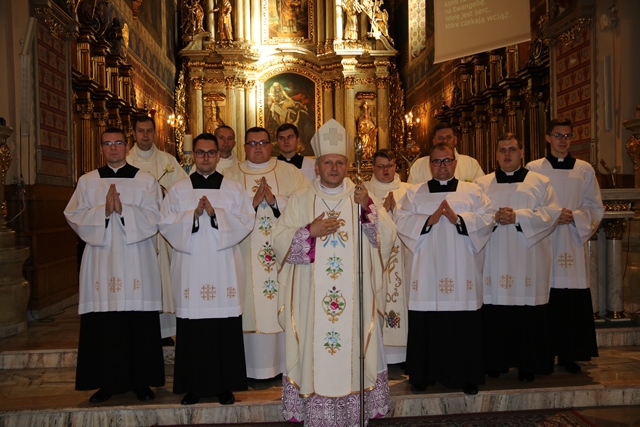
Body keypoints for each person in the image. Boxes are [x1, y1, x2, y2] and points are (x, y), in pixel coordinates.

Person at [273, 119, 395, 426]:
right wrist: (308, 232)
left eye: (340, 162)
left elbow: (387, 238)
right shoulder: (301, 199)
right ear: (317, 166)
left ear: (347, 165)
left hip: (355, 300)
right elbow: (278, 239)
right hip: (312, 300)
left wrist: (368, 209)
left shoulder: (361, 196)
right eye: (328, 162)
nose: (334, 168)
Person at [64, 127, 165, 404]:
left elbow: (157, 216)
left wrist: (124, 211)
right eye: (107, 144)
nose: (113, 148)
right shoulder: (88, 181)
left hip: (137, 260)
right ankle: (106, 383)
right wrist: (103, 212)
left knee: (138, 321)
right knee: (105, 323)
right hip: (101, 260)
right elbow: (73, 215)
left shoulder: (145, 180)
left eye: (118, 143)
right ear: (101, 149)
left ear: (126, 146)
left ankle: (142, 382)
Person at [158, 133, 254, 405]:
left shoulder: (234, 188)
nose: (206, 158)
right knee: (193, 330)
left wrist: (215, 215)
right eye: (200, 152)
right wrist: (193, 215)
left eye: (211, 152)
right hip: (190, 268)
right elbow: (165, 223)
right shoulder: (179, 189)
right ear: (193, 155)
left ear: (218, 155)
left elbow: (247, 221)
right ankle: (194, 386)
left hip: (224, 268)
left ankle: (225, 386)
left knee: (224, 327)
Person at [394, 142, 494, 395]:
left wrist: (458, 219)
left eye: (447, 160)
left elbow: (487, 218)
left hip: (462, 270)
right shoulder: (415, 193)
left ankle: (467, 376)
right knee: (426, 322)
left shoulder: (473, 192)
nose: (442, 166)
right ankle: (422, 375)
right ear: (430, 165)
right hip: (426, 270)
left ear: (455, 162)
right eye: (437, 161)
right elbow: (400, 219)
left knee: (463, 323)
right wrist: (428, 220)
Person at [224, 127, 309, 388]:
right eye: (252, 143)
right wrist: (251, 203)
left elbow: (306, 205)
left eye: (262, 143)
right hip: (244, 254)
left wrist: (274, 201)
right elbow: (222, 213)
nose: (258, 148)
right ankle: (251, 367)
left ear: (270, 145)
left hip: (281, 256)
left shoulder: (289, 172)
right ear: (244, 147)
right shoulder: (230, 175)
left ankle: (283, 366)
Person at [475, 133, 562, 383]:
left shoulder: (540, 182)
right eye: (502, 150)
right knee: (494, 311)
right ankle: (495, 362)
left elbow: (552, 214)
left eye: (512, 149)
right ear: (495, 154)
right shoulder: (482, 185)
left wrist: (518, 217)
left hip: (528, 260)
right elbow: (474, 217)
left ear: (522, 152)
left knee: (527, 314)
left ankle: (528, 365)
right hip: (494, 259)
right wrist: (493, 217)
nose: (507, 154)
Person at [526, 118, 604, 374]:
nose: (563, 140)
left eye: (568, 136)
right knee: (544, 297)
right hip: (544, 241)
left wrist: (576, 217)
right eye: (558, 135)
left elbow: (595, 206)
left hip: (571, 240)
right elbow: (528, 206)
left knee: (570, 300)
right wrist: (549, 217)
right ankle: (543, 355)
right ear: (548, 138)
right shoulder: (533, 169)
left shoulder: (584, 170)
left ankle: (570, 355)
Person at [127, 116, 187, 345]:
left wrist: (164, 193)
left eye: (149, 131)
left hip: (163, 232)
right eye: (141, 131)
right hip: (138, 231)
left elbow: (183, 190)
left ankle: (164, 332)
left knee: (164, 279)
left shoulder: (167, 161)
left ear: (155, 133)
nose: (145, 135)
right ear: (133, 133)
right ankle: (142, 329)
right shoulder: (126, 161)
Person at [363, 149, 411, 372]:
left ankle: (405, 355)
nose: (385, 170)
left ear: (396, 167)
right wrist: (383, 211)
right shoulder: (364, 191)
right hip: (376, 260)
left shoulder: (409, 190)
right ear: (373, 167)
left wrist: (396, 211)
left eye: (390, 166)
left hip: (404, 258)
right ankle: (378, 355)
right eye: (381, 166)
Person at [408, 122, 484, 184]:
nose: (444, 141)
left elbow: (480, 191)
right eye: (440, 138)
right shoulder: (419, 165)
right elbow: (412, 193)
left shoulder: (470, 163)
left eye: (448, 137)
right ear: (434, 141)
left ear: (455, 140)